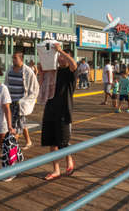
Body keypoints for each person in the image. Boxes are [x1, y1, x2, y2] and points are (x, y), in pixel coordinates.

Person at [41, 44, 77, 181]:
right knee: (52, 142)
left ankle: (69, 160)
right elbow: (43, 85)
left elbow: (73, 64)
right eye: (59, 56)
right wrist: (42, 72)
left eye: (62, 56)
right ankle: (56, 169)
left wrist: (60, 50)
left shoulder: (71, 72)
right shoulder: (54, 71)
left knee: (63, 141)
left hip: (64, 111)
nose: (60, 58)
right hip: (50, 109)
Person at [5, 52, 39, 150]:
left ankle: (12, 150)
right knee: (21, 123)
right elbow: (6, 84)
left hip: (19, 104)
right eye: (13, 58)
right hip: (10, 102)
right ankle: (28, 141)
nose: (13, 60)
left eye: (15, 58)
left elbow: (34, 88)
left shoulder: (27, 71)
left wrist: (25, 101)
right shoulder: (9, 70)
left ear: (21, 59)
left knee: (15, 127)